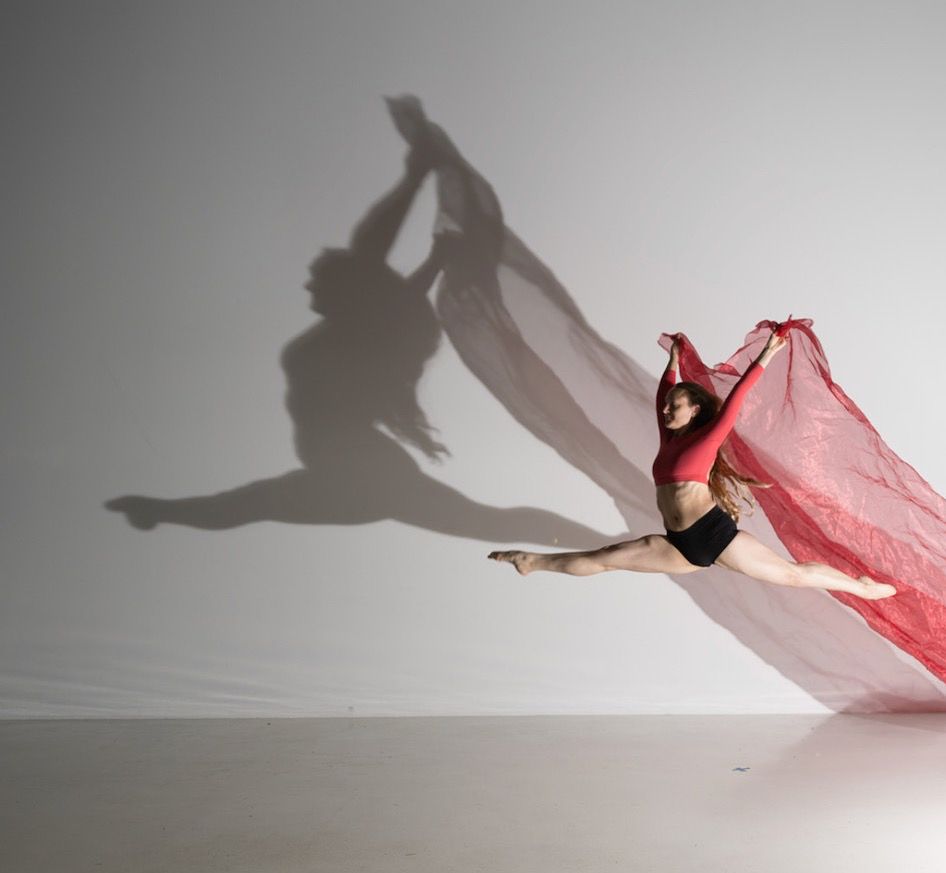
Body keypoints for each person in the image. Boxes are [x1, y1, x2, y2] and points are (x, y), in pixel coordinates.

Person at [489, 326, 898, 601]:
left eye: (675, 406)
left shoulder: (707, 438)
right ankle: (532, 563)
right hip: (679, 543)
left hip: (714, 535)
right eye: (668, 406)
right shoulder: (670, 437)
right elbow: (661, 393)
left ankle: (861, 588)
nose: (667, 409)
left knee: (791, 575)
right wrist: (674, 362)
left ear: (695, 410)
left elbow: (736, 400)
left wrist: (767, 356)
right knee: (606, 557)